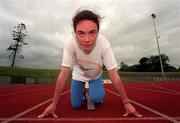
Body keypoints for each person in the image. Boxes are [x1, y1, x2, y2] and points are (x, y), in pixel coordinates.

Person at [38, 9, 142, 118]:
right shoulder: (70, 43)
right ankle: (82, 92)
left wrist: (126, 103)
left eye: (92, 33)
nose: (87, 39)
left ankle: (96, 91)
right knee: (76, 105)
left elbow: (113, 75)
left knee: (96, 98)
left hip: (95, 77)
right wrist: (54, 104)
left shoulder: (104, 44)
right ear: (75, 33)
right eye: (81, 33)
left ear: (98, 32)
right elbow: (63, 75)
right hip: (78, 76)